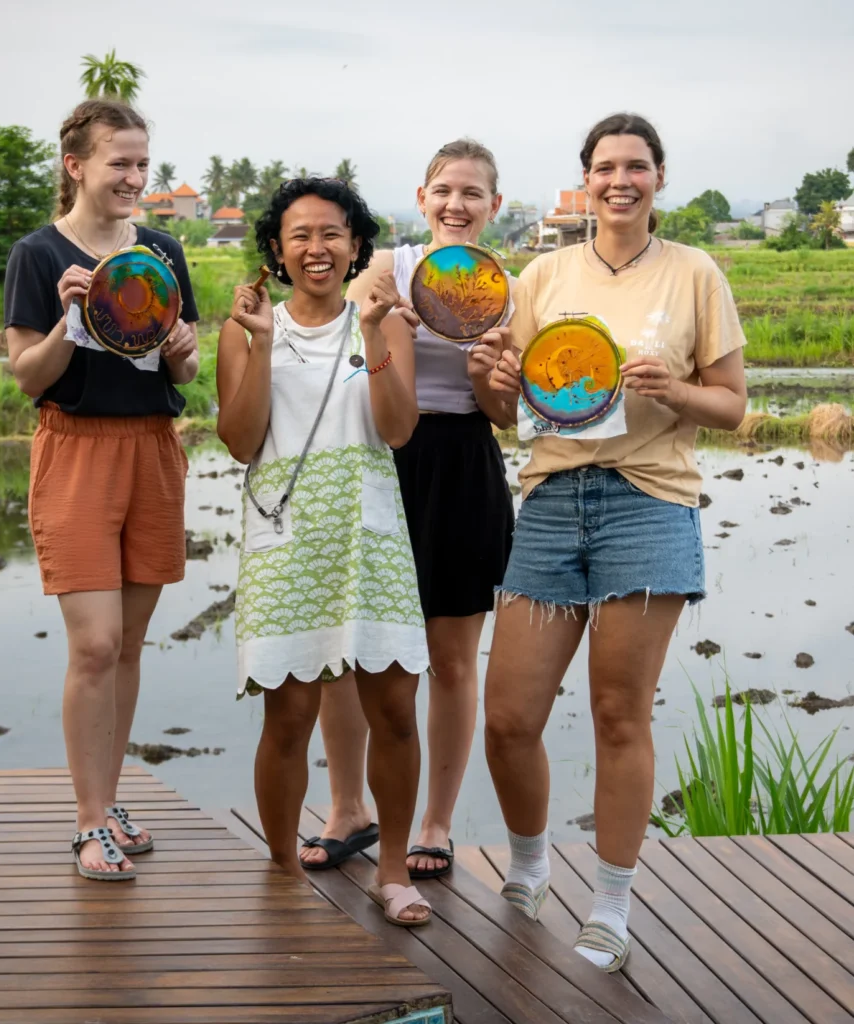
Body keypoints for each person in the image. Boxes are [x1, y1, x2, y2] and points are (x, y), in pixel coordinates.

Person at [479, 112, 747, 970]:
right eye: (605, 167)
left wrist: (673, 387)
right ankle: (528, 866)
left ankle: (613, 908)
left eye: (636, 166)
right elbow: (507, 411)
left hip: (650, 501)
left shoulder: (696, 272)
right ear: (584, 181)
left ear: (659, 178)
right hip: (553, 499)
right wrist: (492, 380)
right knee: (509, 717)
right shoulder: (543, 275)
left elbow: (733, 406)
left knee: (617, 713)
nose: (620, 180)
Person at [216, 177, 433, 927]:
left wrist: (374, 337)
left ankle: (395, 871)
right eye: (300, 235)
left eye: (332, 233)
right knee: (289, 714)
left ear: (356, 245)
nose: (317, 248)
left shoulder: (387, 324)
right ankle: (280, 869)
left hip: (369, 533)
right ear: (276, 249)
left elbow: (397, 427)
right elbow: (242, 440)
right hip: (286, 538)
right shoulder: (247, 327)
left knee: (397, 709)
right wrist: (264, 343)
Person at [299, 140, 517, 881]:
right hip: (378, 457)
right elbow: (343, 357)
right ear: (422, 198)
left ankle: (435, 822)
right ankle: (346, 807)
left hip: (462, 462)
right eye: (444, 190)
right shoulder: (386, 269)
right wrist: (387, 326)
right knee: (351, 648)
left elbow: (504, 414)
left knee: (452, 660)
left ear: (495, 206)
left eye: (473, 193)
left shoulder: (505, 289)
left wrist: (490, 365)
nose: (457, 204)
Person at [4, 99, 200, 880]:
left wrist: (185, 348)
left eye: (143, 163)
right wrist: (68, 323)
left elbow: (181, 368)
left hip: (152, 448)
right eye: (120, 162)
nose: (134, 177)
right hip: (76, 451)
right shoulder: (39, 255)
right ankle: (89, 824)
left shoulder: (162, 250)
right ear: (75, 164)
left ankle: (109, 799)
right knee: (94, 644)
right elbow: (27, 377)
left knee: (128, 648)